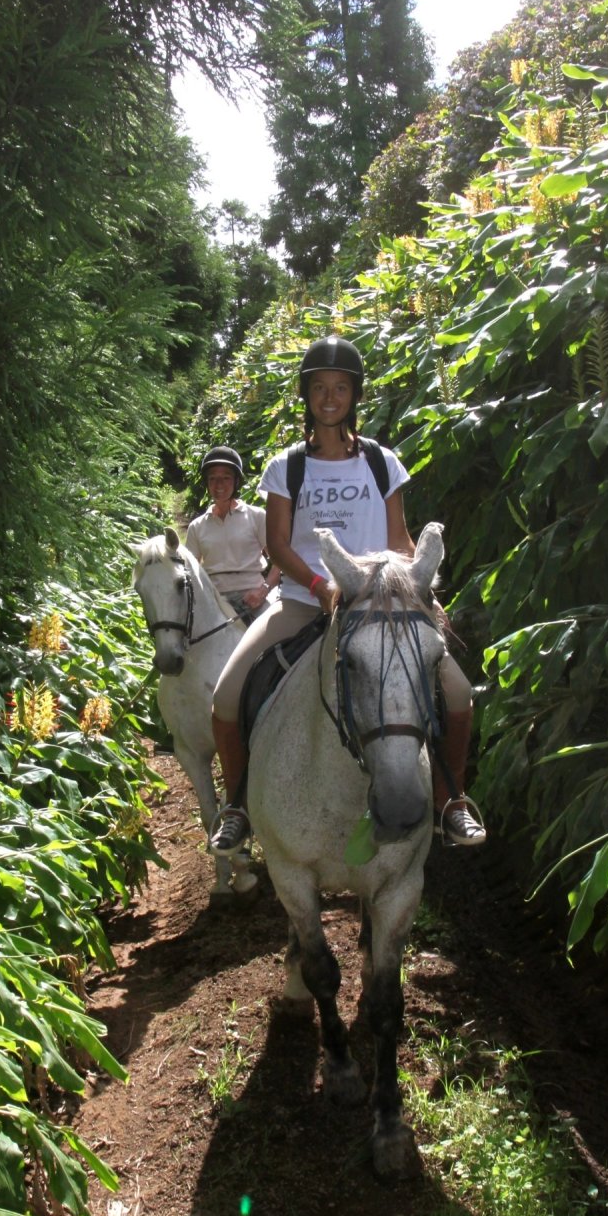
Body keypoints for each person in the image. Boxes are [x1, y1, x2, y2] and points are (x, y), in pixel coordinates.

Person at [207, 335, 486, 854]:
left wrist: (419, 594)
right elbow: (278, 543)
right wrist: (318, 586)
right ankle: (239, 806)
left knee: (458, 692)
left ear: (354, 395)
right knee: (227, 695)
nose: (329, 398)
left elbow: (400, 539)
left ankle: (450, 799)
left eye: (340, 388)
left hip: (378, 602)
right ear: (307, 396)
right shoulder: (287, 466)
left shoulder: (381, 462)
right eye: (319, 388)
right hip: (301, 599)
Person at [185, 446, 281, 621]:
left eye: (226, 478)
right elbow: (189, 572)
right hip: (214, 600)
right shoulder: (196, 527)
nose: (218, 485)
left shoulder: (256, 516)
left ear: (236, 481)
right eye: (212, 478)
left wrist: (263, 590)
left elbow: (280, 562)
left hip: (253, 596)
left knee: (277, 640)